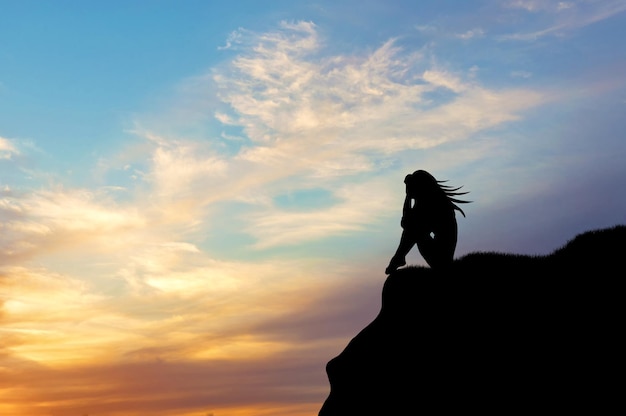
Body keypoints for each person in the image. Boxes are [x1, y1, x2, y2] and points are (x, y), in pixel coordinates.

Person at [385, 170, 470, 273]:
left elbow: (408, 225)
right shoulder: (425, 204)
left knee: (413, 230)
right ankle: (398, 258)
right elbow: (406, 222)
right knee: (413, 228)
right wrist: (408, 196)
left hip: (441, 258)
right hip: (436, 253)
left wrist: (408, 196)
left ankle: (398, 258)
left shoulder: (437, 206)